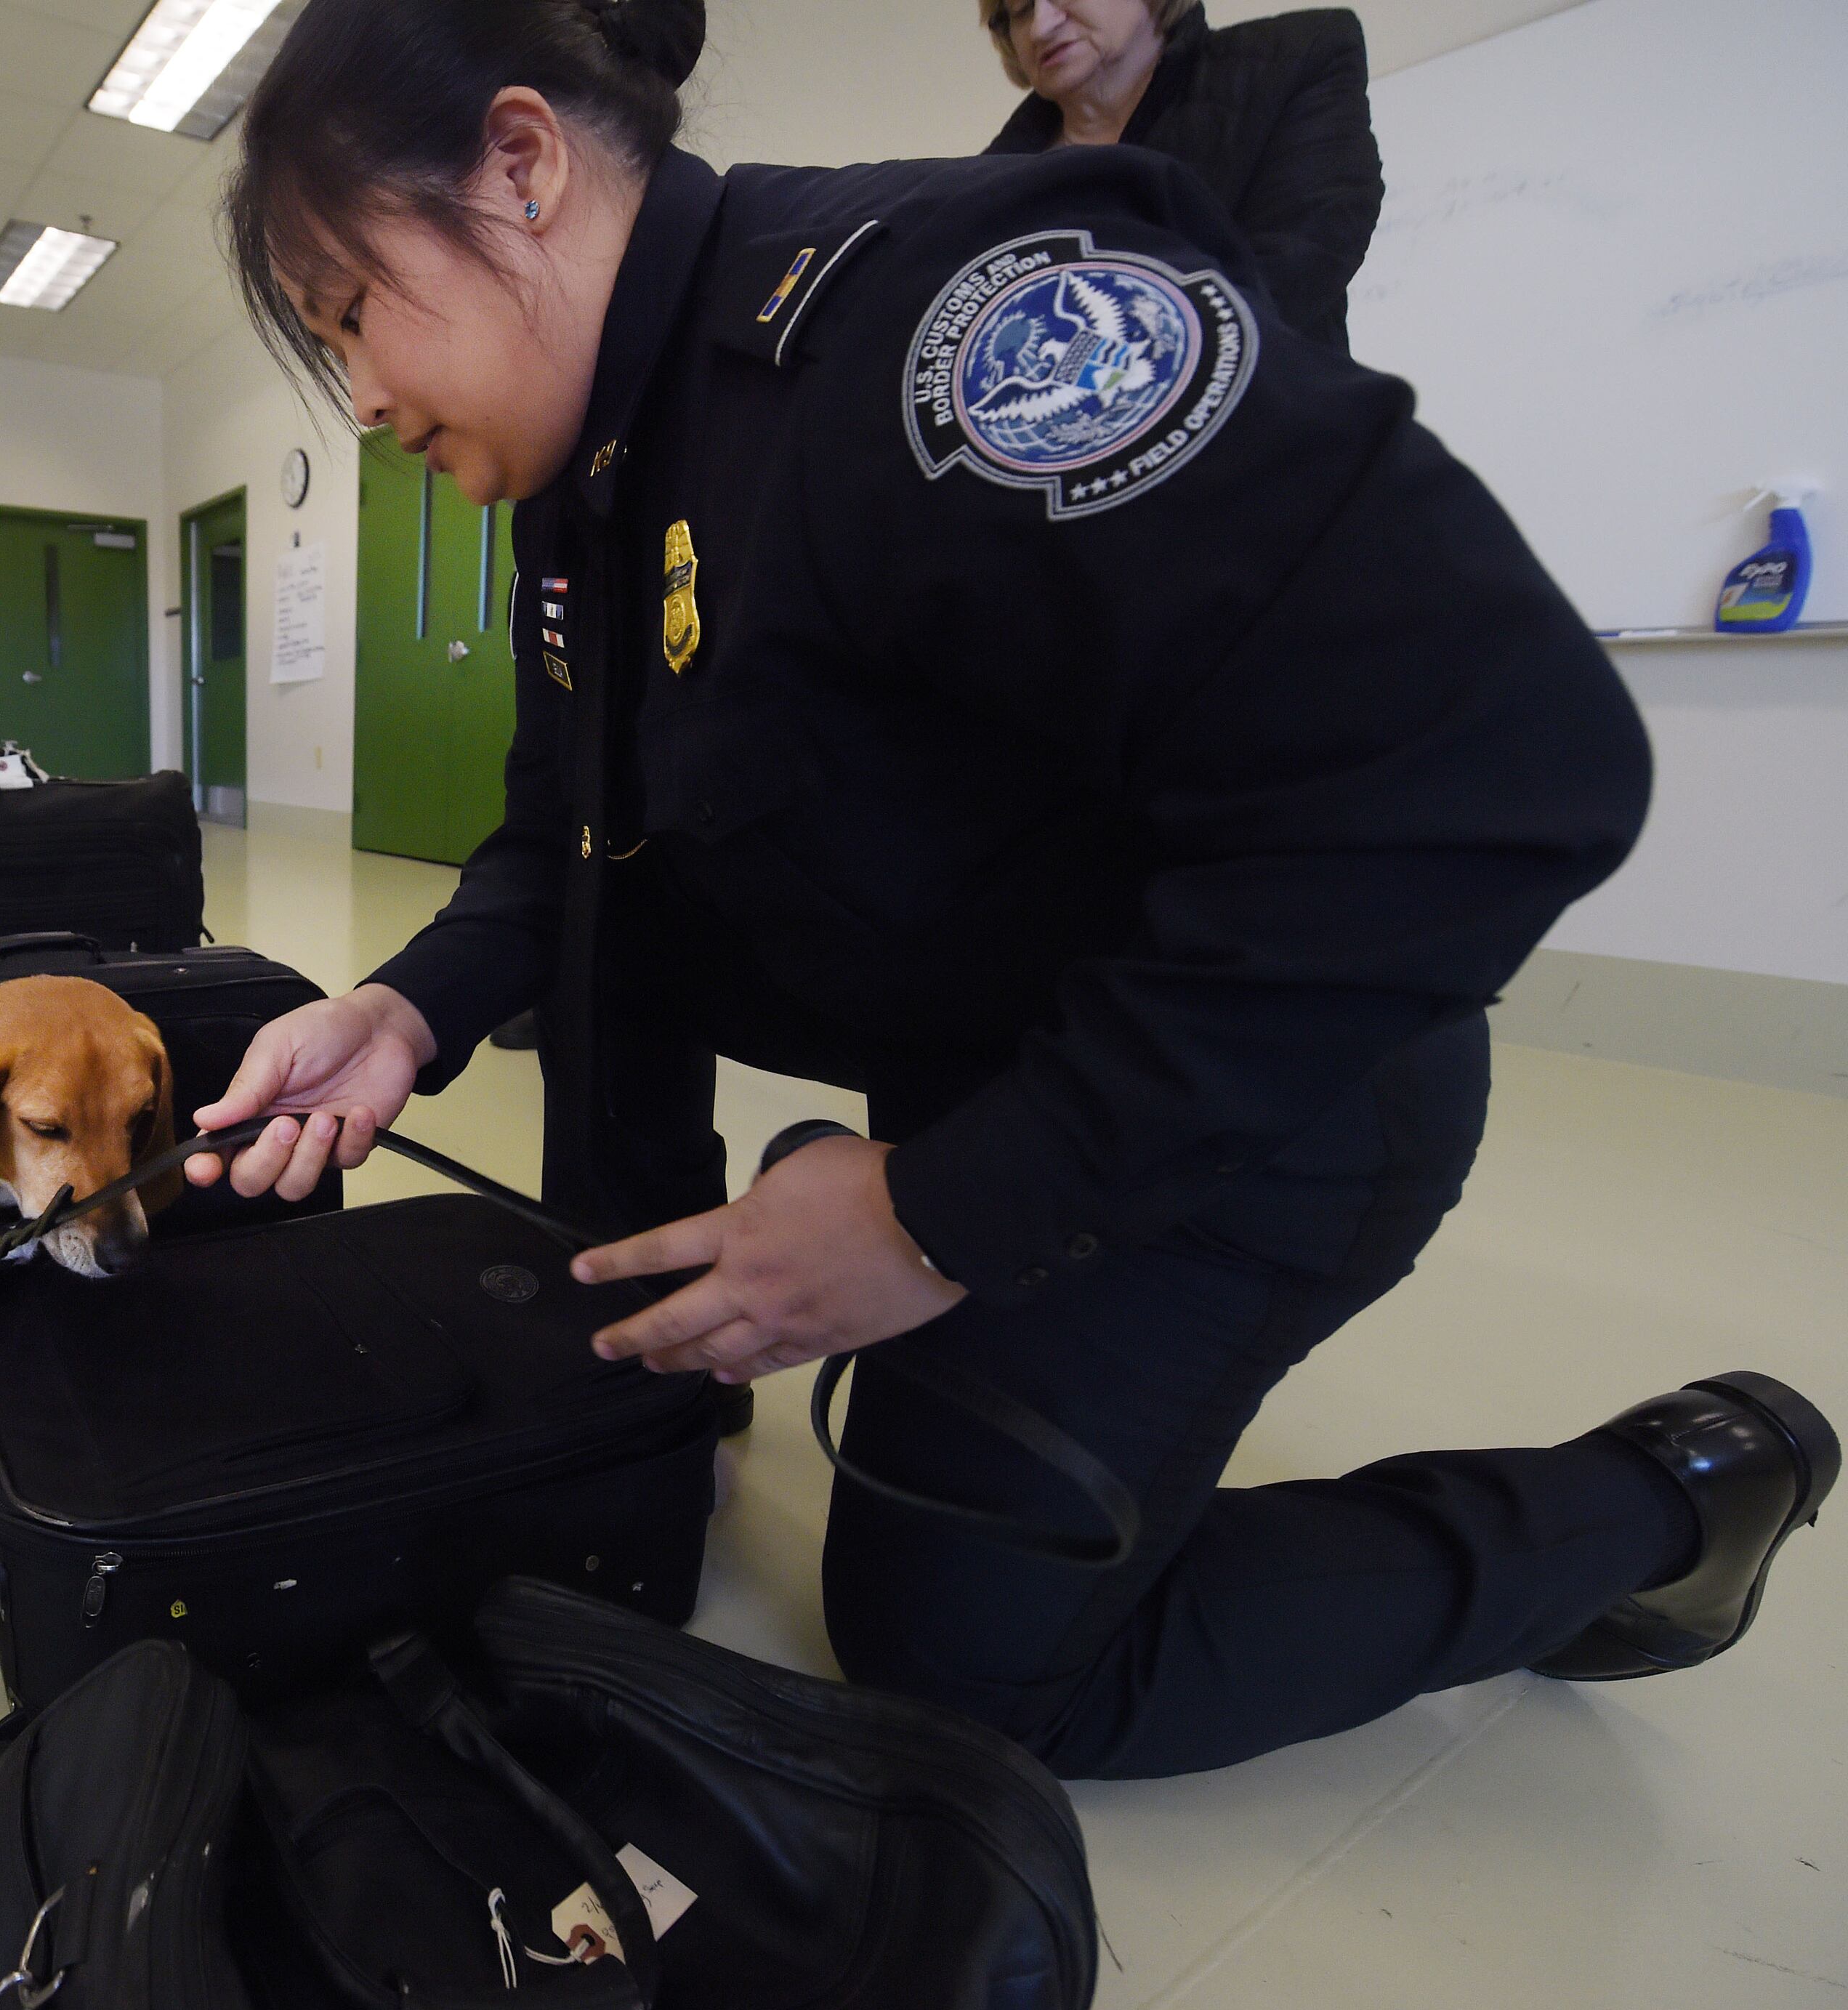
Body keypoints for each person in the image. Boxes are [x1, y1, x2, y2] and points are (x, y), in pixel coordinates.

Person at [183, 0, 1838, 1779]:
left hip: (1253, 1103)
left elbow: (1488, 763)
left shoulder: (955, 319)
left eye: (350, 307)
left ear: (517, 164)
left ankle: (1665, 1498)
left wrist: (936, 1219)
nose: (356, 394)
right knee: (921, 1559)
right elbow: (569, 832)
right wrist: (401, 1011)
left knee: (969, 1678)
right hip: (1000, 1072)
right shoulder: (596, 465)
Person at [979, 0, 1381, 353]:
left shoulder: (1298, 59)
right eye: (1021, 9)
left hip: (1267, 423)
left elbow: (1303, 264)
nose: (1041, 26)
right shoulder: (980, 189)